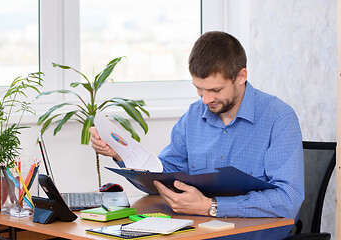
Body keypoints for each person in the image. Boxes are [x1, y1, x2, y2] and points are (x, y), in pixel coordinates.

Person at [89, 31, 304, 239]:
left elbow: (288, 199)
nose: (205, 100)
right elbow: (164, 176)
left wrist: (211, 207)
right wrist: (120, 154)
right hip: (198, 232)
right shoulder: (194, 115)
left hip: (253, 235)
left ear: (241, 76)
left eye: (215, 90)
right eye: (199, 89)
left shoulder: (279, 118)